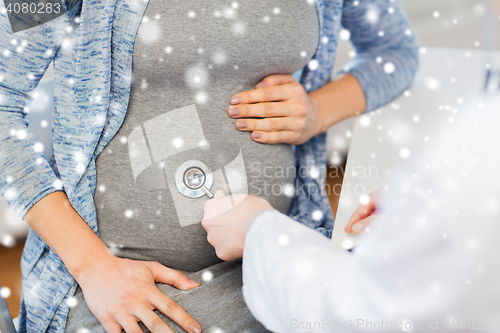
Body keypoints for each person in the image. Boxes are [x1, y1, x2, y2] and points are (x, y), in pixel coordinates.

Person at [0, 0, 419, 332]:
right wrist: (92, 267)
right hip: (122, 285)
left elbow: (396, 52)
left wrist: (318, 111)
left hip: (274, 265)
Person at [202, 79, 500, 332]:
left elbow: (353, 318)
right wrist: (418, 205)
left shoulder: (473, 157)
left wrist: (258, 230)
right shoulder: (474, 157)